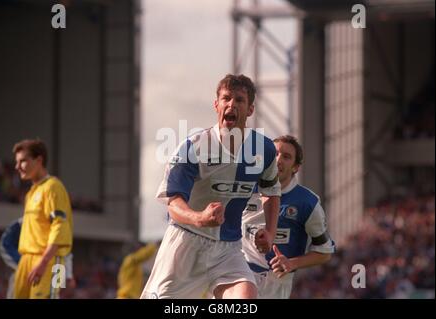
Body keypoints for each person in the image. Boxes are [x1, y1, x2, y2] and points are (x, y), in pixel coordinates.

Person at [141, 74, 281, 299]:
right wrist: (199, 217)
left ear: (250, 109)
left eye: (239, 99)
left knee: (245, 297)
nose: (231, 104)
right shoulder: (193, 148)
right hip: (185, 244)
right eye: (226, 98)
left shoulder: (263, 150)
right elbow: (173, 203)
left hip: (228, 249)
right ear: (216, 105)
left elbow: (272, 192)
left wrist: (271, 232)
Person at [241, 135, 335, 298]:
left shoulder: (307, 203)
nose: (278, 160)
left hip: (274, 284)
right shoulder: (245, 189)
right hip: (239, 271)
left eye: (286, 157)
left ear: (295, 167)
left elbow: (324, 252)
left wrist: (291, 263)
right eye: (275, 154)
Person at [12, 139, 73, 299]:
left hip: (52, 261)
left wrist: (43, 263)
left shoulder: (53, 187)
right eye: (17, 162)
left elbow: (60, 227)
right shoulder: (31, 192)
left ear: (39, 160)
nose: (17, 166)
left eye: (23, 161)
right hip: (27, 260)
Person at [0, 217, 75, 299]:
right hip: (27, 273)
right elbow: (6, 243)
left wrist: (68, 276)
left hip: (54, 270)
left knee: (54, 295)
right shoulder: (28, 220)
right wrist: (22, 264)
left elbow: (65, 253)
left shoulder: (61, 224)